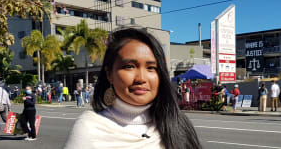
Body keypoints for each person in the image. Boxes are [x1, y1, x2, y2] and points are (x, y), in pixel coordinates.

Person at [64, 28, 201, 149]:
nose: (141, 78)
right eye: (129, 66)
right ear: (109, 74)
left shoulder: (178, 124)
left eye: (151, 68)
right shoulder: (89, 129)